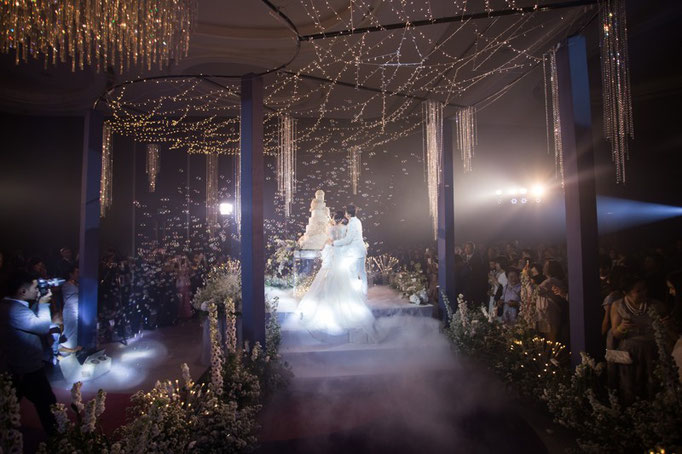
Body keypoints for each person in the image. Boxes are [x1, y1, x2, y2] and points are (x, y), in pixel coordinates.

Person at [298, 210, 375, 339]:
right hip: (340, 255)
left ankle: (328, 302)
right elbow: (346, 241)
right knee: (342, 278)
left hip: (333, 252)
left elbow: (329, 241)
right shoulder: (345, 228)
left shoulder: (331, 229)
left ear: (335, 219)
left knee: (328, 278)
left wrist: (328, 243)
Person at [0, 271, 57, 434]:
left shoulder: (10, 305)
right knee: (47, 404)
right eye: (34, 287)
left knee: (11, 404)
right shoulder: (14, 310)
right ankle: (57, 439)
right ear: (22, 292)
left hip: (18, 366)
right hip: (27, 368)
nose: (38, 290)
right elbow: (41, 327)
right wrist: (44, 303)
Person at [609, 276, 667, 403]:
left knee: (652, 383)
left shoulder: (656, 305)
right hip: (630, 352)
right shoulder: (618, 305)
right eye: (638, 291)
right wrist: (621, 328)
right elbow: (615, 333)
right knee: (630, 385)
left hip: (652, 352)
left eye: (645, 289)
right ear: (626, 292)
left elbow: (667, 328)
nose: (643, 293)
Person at [332, 204, 367, 295]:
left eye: (346, 212)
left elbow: (348, 240)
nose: (345, 214)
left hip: (355, 252)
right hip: (361, 250)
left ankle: (357, 295)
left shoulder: (352, 224)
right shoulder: (358, 221)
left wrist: (334, 243)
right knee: (362, 273)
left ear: (349, 214)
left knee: (354, 275)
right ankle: (364, 294)